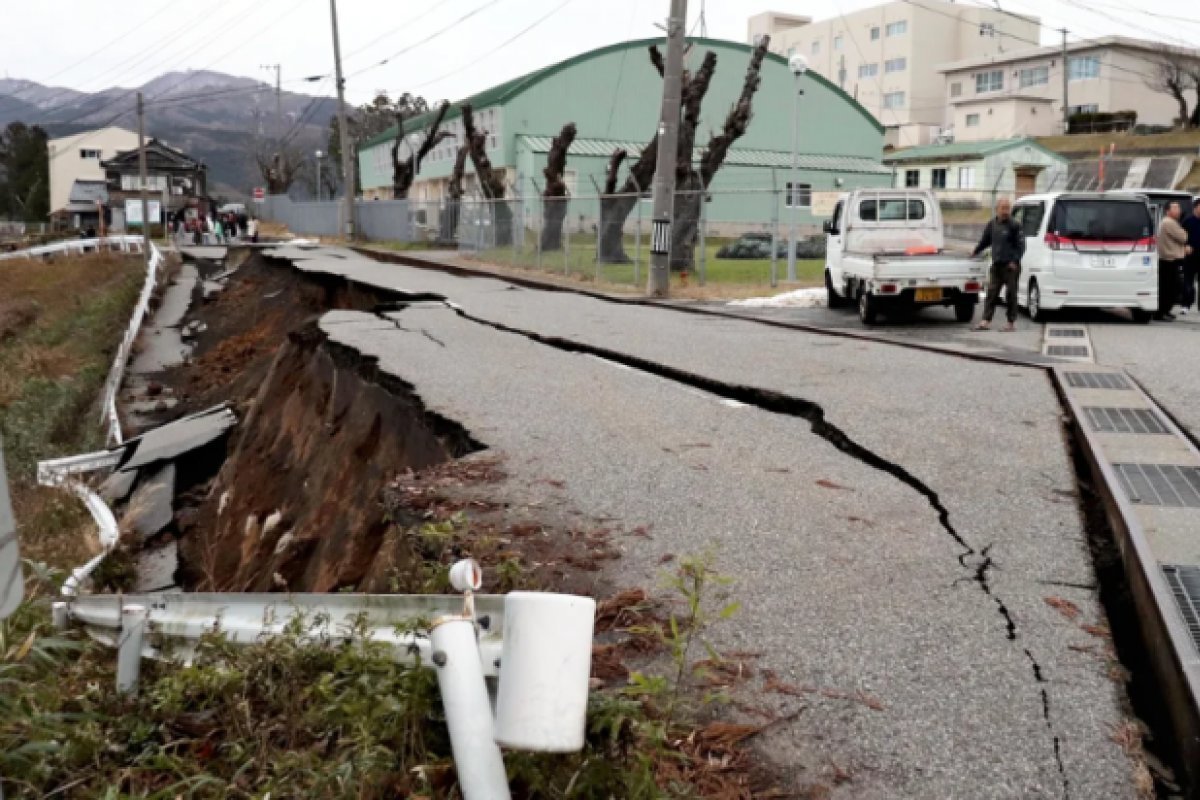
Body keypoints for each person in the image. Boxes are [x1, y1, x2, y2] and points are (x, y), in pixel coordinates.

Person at [971, 197, 1025, 332]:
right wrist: (975, 251)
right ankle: (985, 321)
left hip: (1010, 267)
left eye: (1008, 208)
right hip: (996, 265)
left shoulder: (1015, 225)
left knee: (1011, 294)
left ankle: (1010, 322)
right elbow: (985, 241)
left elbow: (1021, 246)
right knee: (991, 293)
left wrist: (1014, 261)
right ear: (997, 209)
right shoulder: (992, 225)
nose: (1006, 211)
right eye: (1003, 208)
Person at [1156, 201, 1189, 322]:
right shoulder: (1169, 222)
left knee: (1171, 288)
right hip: (1168, 260)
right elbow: (1184, 237)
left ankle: (1165, 310)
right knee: (1167, 288)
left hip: (1170, 259)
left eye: (1179, 207)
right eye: (1175, 208)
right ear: (1168, 211)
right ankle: (1161, 312)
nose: (1179, 210)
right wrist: (1184, 233)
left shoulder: (1170, 222)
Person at [1182, 199, 1200, 315]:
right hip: (1190, 255)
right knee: (1188, 281)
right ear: (1195, 207)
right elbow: (1181, 237)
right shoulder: (1187, 221)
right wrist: (1185, 246)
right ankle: (1186, 304)